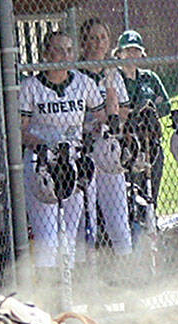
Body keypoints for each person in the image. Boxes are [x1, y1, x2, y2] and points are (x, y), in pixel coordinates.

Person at [18, 30, 104, 297]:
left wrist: (93, 130)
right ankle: (49, 293)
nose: (64, 56)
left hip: (74, 161)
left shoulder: (83, 82)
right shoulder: (31, 86)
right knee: (47, 232)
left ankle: (71, 288)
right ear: (45, 54)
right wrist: (40, 143)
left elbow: (100, 116)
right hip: (43, 162)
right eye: (58, 50)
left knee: (72, 225)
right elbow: (19, 129)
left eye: (69, 50)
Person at [78, 19, 132, 261]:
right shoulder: (74, 74)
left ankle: (128, 270)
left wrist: (110, 117)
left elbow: (124, 110)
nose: (98, 43)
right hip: (83, 150)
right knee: (84, 218)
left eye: (102, 38)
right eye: (92, 37)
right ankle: (85, 277)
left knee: (118, 215)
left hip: (109, 149)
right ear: (83, 42)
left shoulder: (113, 74)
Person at [114, 30, 170, 205]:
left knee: (153, 180)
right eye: (128, 50)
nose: (132, 54)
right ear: (119, 53)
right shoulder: (115, 78)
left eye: (136, 50)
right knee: (132, 186)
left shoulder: (149, 77)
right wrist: (136, 110)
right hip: (127, 140)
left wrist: (149, 108)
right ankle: (134, 217)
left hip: (149, 138)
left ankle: (151, 216)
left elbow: (165, 104)